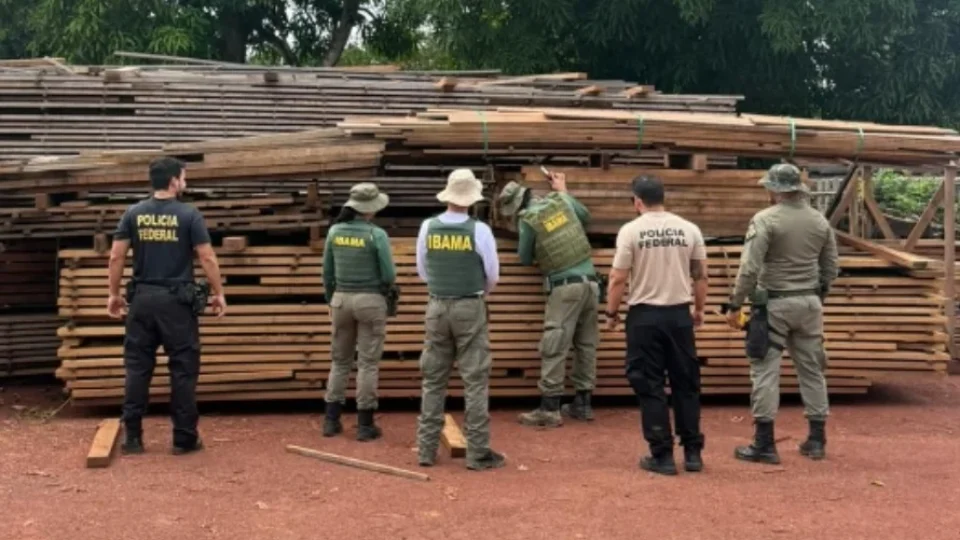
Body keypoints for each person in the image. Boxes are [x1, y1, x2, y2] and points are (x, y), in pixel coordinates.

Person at [107, 156, 226, 456]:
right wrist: (218, 292)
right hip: (177, 303)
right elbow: (207, 256)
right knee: (183, 369)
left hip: (142, 300)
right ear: (174, 181)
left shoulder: (133, 213)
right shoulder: (189, 215)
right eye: (183, 177)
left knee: (137, 368)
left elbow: (116, 256)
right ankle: (183, 439)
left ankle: (133, 438)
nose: (185, 182)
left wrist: (114, 294)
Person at [726, 163, 838, 464]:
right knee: (812, 369)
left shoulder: (765, 219)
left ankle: (764, 443)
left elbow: (749, 268)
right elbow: (831, 268)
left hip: (773, 304)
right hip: (809, 303)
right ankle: (816, 440)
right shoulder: (820, 221)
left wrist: (735, 303)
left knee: (765, 369)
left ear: (775, 189)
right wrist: (816, 296)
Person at [604, 175, 708, 476]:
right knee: (686, 383)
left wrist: (611, 313)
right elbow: (701, 274)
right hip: (679, 315)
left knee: (649, 385)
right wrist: (699, 309)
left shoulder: (631, 231)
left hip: (645, 317)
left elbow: (618, 277)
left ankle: (662, 455)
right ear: (663, 198)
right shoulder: (689, 229)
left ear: (637, 201)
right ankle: (692, 452)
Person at [414, 168, 505, 471]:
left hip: (437, 306)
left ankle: (426, 450)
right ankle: (477, 453)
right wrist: (477, 293)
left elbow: (423, 270)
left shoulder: (428, 227)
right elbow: (493, 275)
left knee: (433, 379)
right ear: (472, 198)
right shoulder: (480, 230)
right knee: (475, 380)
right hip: (470, 304)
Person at [496, 172, 599, 427]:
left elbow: (524, 257)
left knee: (554, 345)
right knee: (586, 344)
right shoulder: (562, 200)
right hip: (592, 283)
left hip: (565, 288)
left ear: (516, 206)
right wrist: (562, 190)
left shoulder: (529, 219)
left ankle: (550, 409)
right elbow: (585, 216)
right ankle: (583, 404)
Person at [321, 183, 397, 441]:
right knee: (367, 363)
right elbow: (389, 275)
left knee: (339, 361)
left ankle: (331, 421)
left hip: (341, 300)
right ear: (371, 209)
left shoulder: (334, 232)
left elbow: (327, 273)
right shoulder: (377, 235)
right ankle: (365, 425)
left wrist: (331, 301)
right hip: (370, 301)